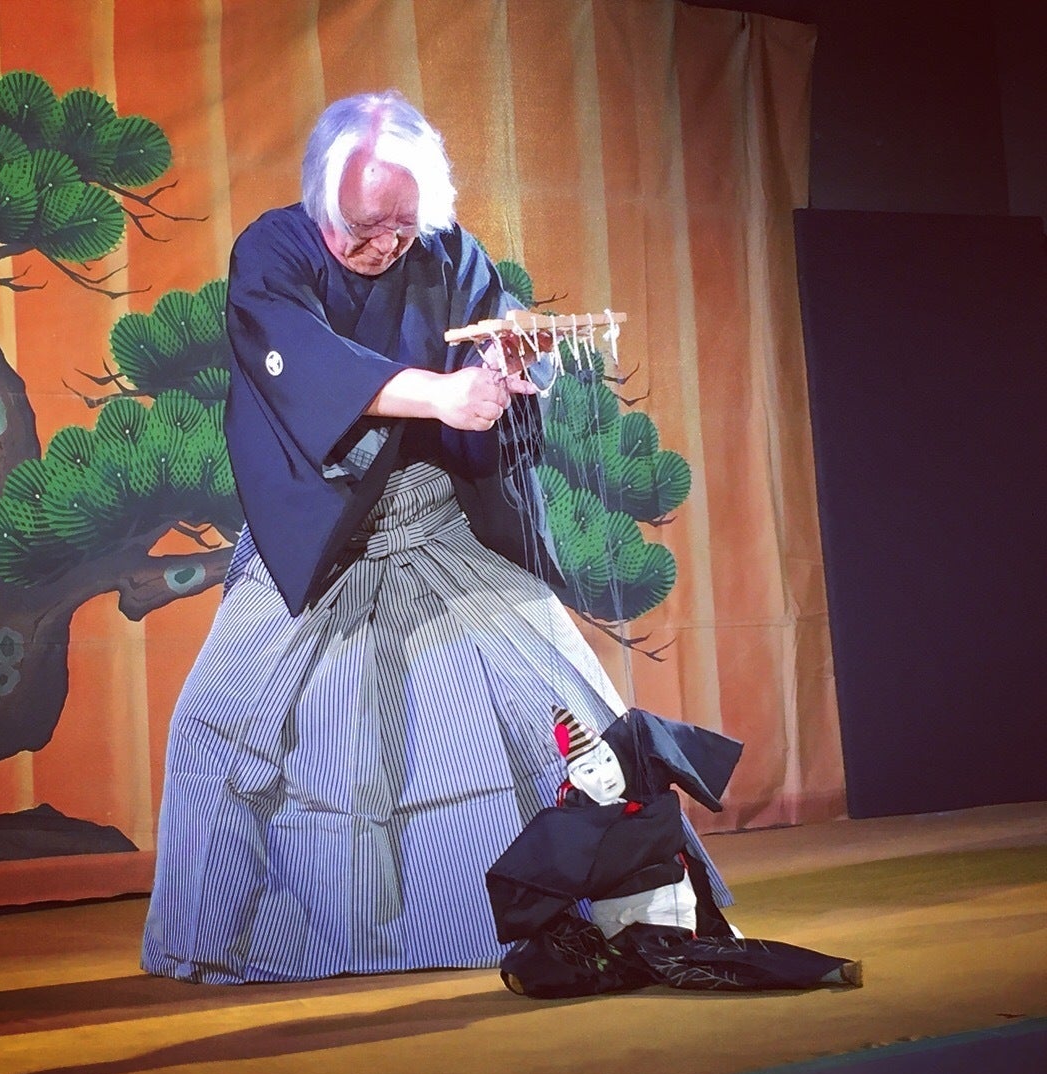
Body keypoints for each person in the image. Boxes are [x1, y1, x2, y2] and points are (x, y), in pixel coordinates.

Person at [142, 90, 723, 984]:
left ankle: (581, 909)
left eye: (402, 227)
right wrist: (440, 394)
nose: (383, 246)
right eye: (362, 227)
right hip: (316, 536)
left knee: (552, 707)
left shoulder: (452, 255)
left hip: (435, 519)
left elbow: (490, 363)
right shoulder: (272, 252)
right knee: (222, 725)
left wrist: (507, 373)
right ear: (321, 195)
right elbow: (309, 370)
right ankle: (257, 936)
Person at [486, 708, 863, 998]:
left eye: (607, 761)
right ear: (575, 779)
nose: (605, 776)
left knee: (677, 963)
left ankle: (820, 969)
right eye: (588, 770)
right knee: (565, 955)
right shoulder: (568, 819)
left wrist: (616, 847)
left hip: (663, 912)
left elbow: (661, 836)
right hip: (613, 924)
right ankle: (692, 948)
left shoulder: (650, 800)